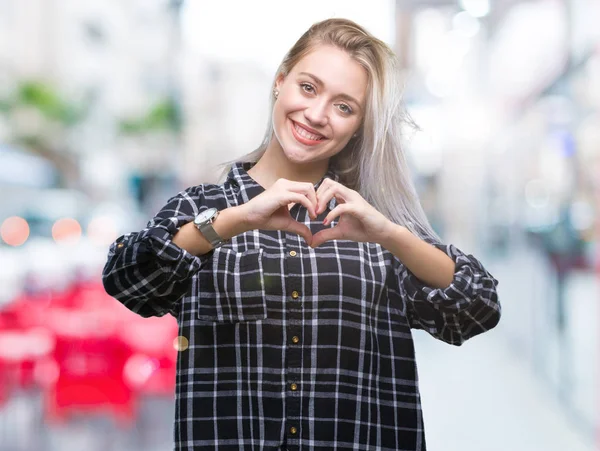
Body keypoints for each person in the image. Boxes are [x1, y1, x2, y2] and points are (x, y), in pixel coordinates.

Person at [102, 18, 500, 451]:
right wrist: (233, 221)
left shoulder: (374, 225)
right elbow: (128, 281)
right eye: (309, 88)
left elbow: (476, 308)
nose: (316, 114)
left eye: (344, 106)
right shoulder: (203, 209)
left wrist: (391, 234)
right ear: (280, 82)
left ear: (358, 126)